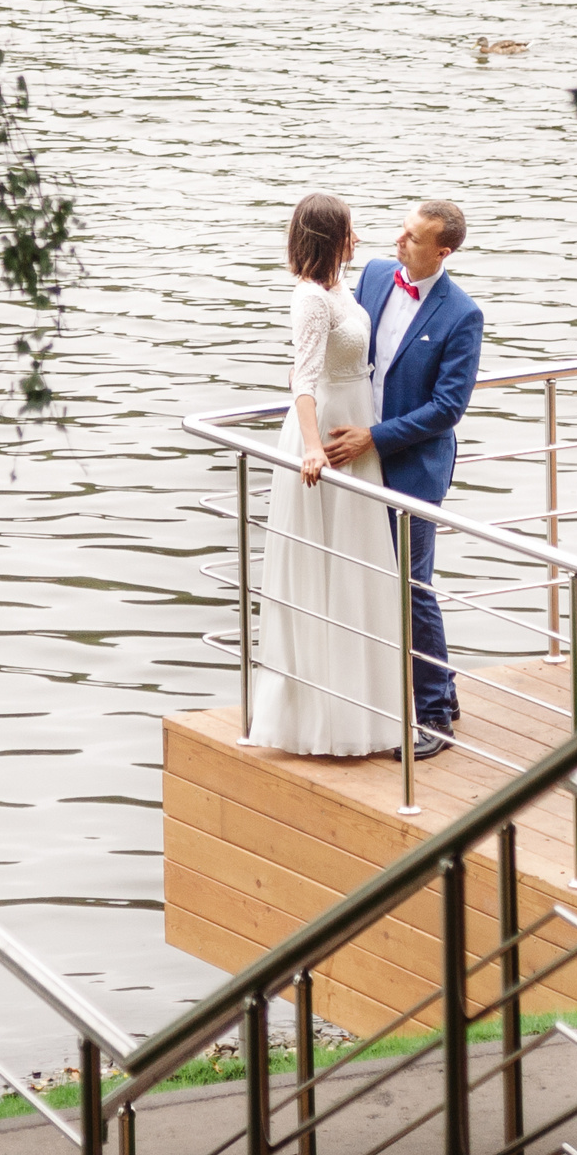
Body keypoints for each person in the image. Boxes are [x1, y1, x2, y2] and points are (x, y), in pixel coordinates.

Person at [245, 193, 405, 757]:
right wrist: (313, 448)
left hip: (357, 428)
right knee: (324, 571)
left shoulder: (342, 288)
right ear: (329, 238)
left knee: (358, 572)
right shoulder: (311, 299)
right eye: (349, 231)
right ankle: (318, 721)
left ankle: (363, 712)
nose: (358, 239)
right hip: (331, 434)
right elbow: (303, 381)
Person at [324, 200, 483, 761]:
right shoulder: (371, 275)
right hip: (357, 463)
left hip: (412, 470)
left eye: (414, 238)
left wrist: (376, 436)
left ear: (442, 252)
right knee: (369, 580)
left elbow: (447, 408)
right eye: (403, 230)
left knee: (411, 589)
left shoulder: (462, 315)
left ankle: (435, 714)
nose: (399, 241)